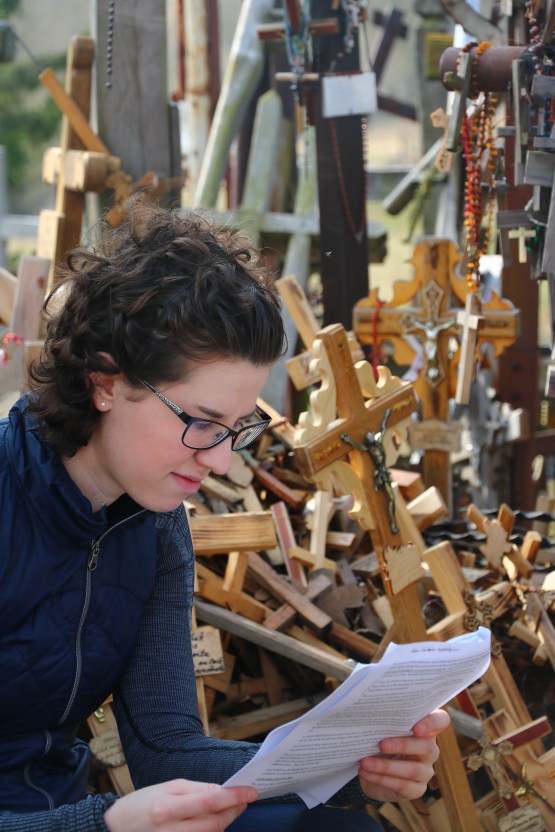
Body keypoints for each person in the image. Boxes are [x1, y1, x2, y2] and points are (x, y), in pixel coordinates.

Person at [0, 197, 450, 832]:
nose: (217, 463)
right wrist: (100, 825)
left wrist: (352, 769)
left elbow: (167, 752)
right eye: (200, 424)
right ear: (105, 381)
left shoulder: (153, 524)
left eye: (235, 431)